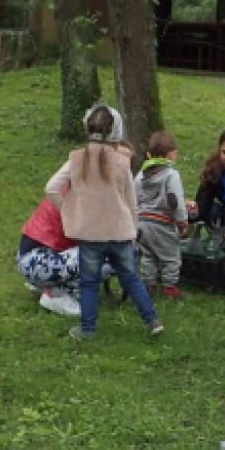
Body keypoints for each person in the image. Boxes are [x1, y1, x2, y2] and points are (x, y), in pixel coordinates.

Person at [45, 102, 163, 340]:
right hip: (119, 231)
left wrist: (68, 211)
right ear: (116, 130)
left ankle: (87, 329)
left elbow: (52, 188)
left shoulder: (76, 160)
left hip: (89, 234)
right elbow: (131, 201)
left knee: (89, 282)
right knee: (131, 278)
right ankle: (152, 321)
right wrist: (133, 229)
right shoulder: (122, 161)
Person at [135, 131, 188, 298]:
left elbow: (134, 198)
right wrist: (182, 222)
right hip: (162, 223)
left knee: (148, 255)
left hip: (142, 223)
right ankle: (169, 286)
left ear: (149, 154)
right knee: (171, 256)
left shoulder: (140, 175)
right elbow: (176, 201)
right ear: (172, 154)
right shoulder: (171, 175)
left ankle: (148, 284)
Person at [16, 196, 81, 317]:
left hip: (32, 258)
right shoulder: (89, 196)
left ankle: (47, 284)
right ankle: (57, 294)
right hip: (38, 262)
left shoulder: (74, 186)